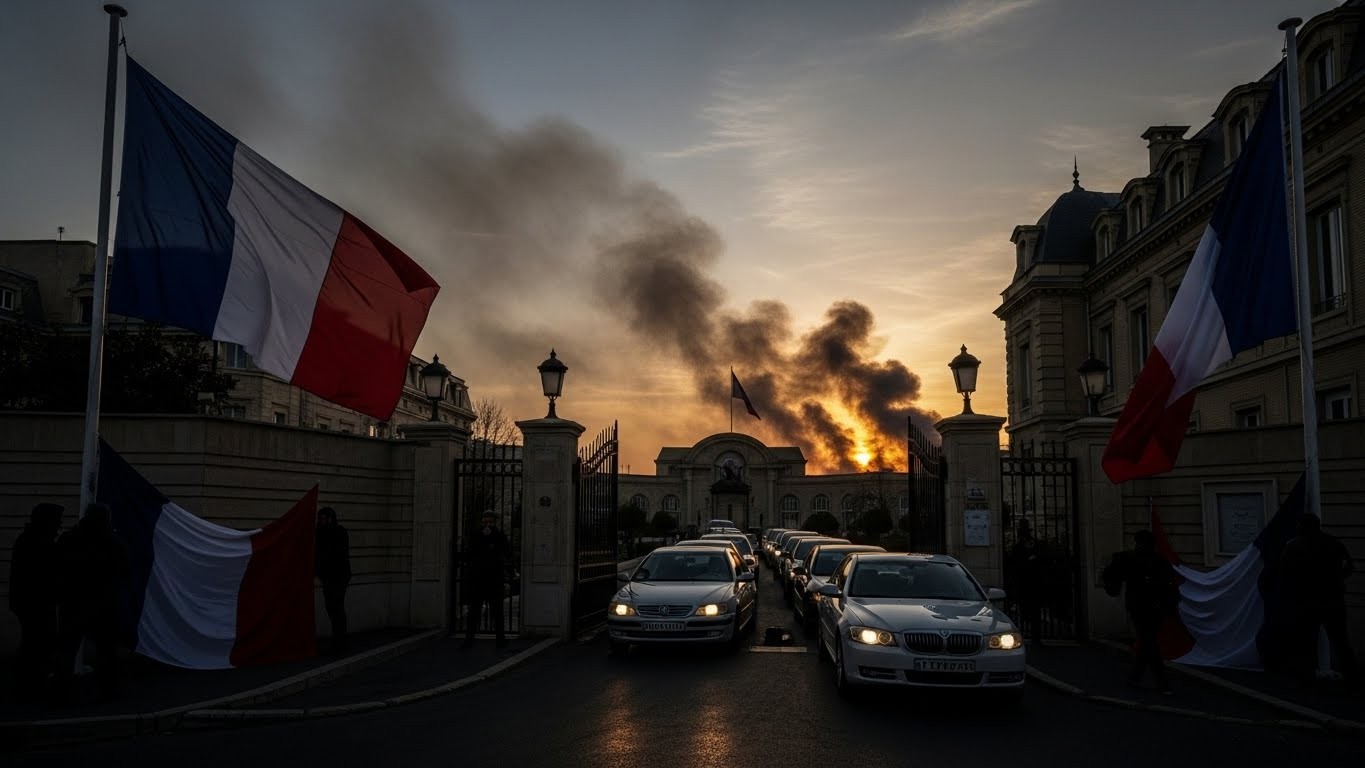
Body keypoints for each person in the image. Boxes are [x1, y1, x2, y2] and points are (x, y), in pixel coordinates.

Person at [56, 503, 129, 702]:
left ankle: (62, 692)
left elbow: (57, 567)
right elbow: (124, 570)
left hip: (73, 602)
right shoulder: (112, 542)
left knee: (67, 650)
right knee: (105, 650)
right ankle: (107, 691)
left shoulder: (68, 539)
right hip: (103, 603)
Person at [1280, 513, 1357, 685]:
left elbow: (1285, 573)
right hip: (1333, 599)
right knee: (1340, 641)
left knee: (1306, 641)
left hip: (1306, 600)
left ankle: (1306, 678)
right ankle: (1352, 678)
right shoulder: (1334, 544)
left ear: (1302, 527)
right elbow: (1349, 567)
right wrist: (1336, 579)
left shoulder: (1293, 546)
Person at [1103, 530, 1179, 693]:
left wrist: (1114, 588)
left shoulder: (1132, 558)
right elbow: (1170, 585)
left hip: (1142, 606)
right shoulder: (1156, 560)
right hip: (1151, 606)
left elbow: (1110, 574)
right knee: (1149, 641)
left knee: (1148, 642)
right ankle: (1160, 682)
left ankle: (1138, 677)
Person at [9, 502, 64, 701]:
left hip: (31, 601)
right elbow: (46, 572)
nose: (59, 525)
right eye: (57, 521)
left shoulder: (30, 539)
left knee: (35, 642)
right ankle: (30, 684)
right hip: (36, 602)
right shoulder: (37, 542)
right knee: (38, 643)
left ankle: (28, 682)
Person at [462, 510, 510, 649]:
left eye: (490, 522)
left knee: (497, 612)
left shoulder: (499, 536)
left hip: (494, 580)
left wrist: (492, 537)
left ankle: (500, 640)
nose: (487, 525)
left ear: (495, 523)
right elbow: (469, 553)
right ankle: (468, 640)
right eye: (485, 522)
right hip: (478, 580)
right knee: (474, 612)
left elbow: (505, 552)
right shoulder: (476, 535)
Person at [315, 507, 352, 653]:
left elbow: (334, 554)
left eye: (323, 519)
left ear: (330, 519)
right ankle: (338, 640)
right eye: (320, 519)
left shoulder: (339, 532)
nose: (321, 521)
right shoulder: (320, 532)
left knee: (336, 608)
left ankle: (340, 642)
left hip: (339, 576)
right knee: (332, 608)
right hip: (329, 576)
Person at [1007, 519, 1045, 642]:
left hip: (1029, 583)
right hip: (1026, 583)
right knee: (1027, 610)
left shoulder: (1030, 545)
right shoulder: (1021, 546)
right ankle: (1029, 634)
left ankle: (1031, 635)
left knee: (1029, 610)